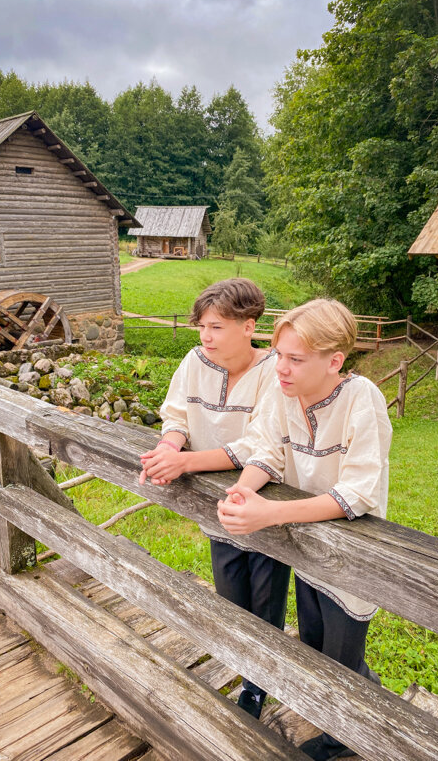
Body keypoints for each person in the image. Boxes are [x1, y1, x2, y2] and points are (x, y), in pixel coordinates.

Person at [217, 298, 392, 760]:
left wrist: (269, 515)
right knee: (315, 642)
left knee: (342, 652)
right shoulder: (283, 392)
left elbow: (358, 492)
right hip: (307, 548)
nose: (282, 367)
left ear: (334, 360)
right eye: (278, 355)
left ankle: (344, 741)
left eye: (296, 358)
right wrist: (243, 491)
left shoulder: (362, 399)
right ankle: (360, 714)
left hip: (350, 555)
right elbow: (268, 451)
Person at [139, 278, 291, 719]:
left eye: (217, 327)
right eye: (202, 326)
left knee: (266, 598)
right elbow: (177, 413)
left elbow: (262, 444)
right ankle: (244, 666)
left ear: (249, 325)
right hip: (217, 504)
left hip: (262, 497)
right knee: (231, 594)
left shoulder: (274, 371)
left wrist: (187, 463)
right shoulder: (194, 360)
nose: (206, 337)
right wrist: (169, 446)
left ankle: (258, 685)